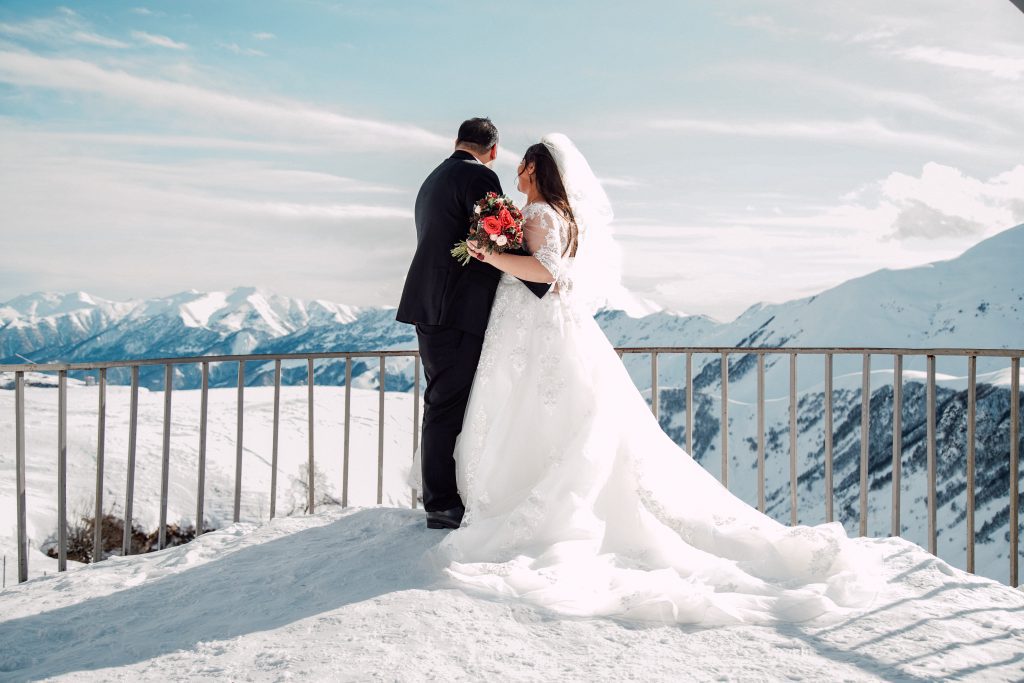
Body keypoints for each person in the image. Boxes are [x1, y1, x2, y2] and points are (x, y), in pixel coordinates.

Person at [437, 133, 881, 625]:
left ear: (539, 173)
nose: (517, 175)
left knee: (538, 414)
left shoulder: (542, 215)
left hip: (535, 328)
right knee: (549, 413)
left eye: (524, 168)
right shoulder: (553, 215)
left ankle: (532, 502)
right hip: (537, 328)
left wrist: (488, 254)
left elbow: (545, 273)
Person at [396, 118, 548, 530]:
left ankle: (445, 497)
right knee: (446, 404)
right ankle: (442, 504)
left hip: (430, 306)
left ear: (457, 141)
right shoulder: (479, 177)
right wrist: (541, 281)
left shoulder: (433, 179)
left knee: (443, 400)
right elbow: (496, 237)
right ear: (494, 150)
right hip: (457, 308)